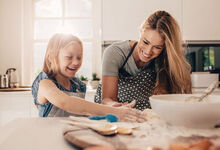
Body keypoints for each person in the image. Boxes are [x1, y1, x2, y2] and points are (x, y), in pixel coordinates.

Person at [31, 33, 147, 122]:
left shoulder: (78, 85)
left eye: (79, 57)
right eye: (69, 57)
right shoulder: (44, 83)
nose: (76, 62)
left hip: (71, 136)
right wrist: (115, 112)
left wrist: (114, 108)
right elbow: (65, 102)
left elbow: (82, 112)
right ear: (51, 57)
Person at [94, 10, 192, 110]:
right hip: (112, 113)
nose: (148, 52)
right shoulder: (115, 53)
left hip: (144, 115)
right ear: (141, 32)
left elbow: (162, 97)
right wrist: (117, 107)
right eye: (145, 42)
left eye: (157, 47)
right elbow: (107, 100)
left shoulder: (163, 60)